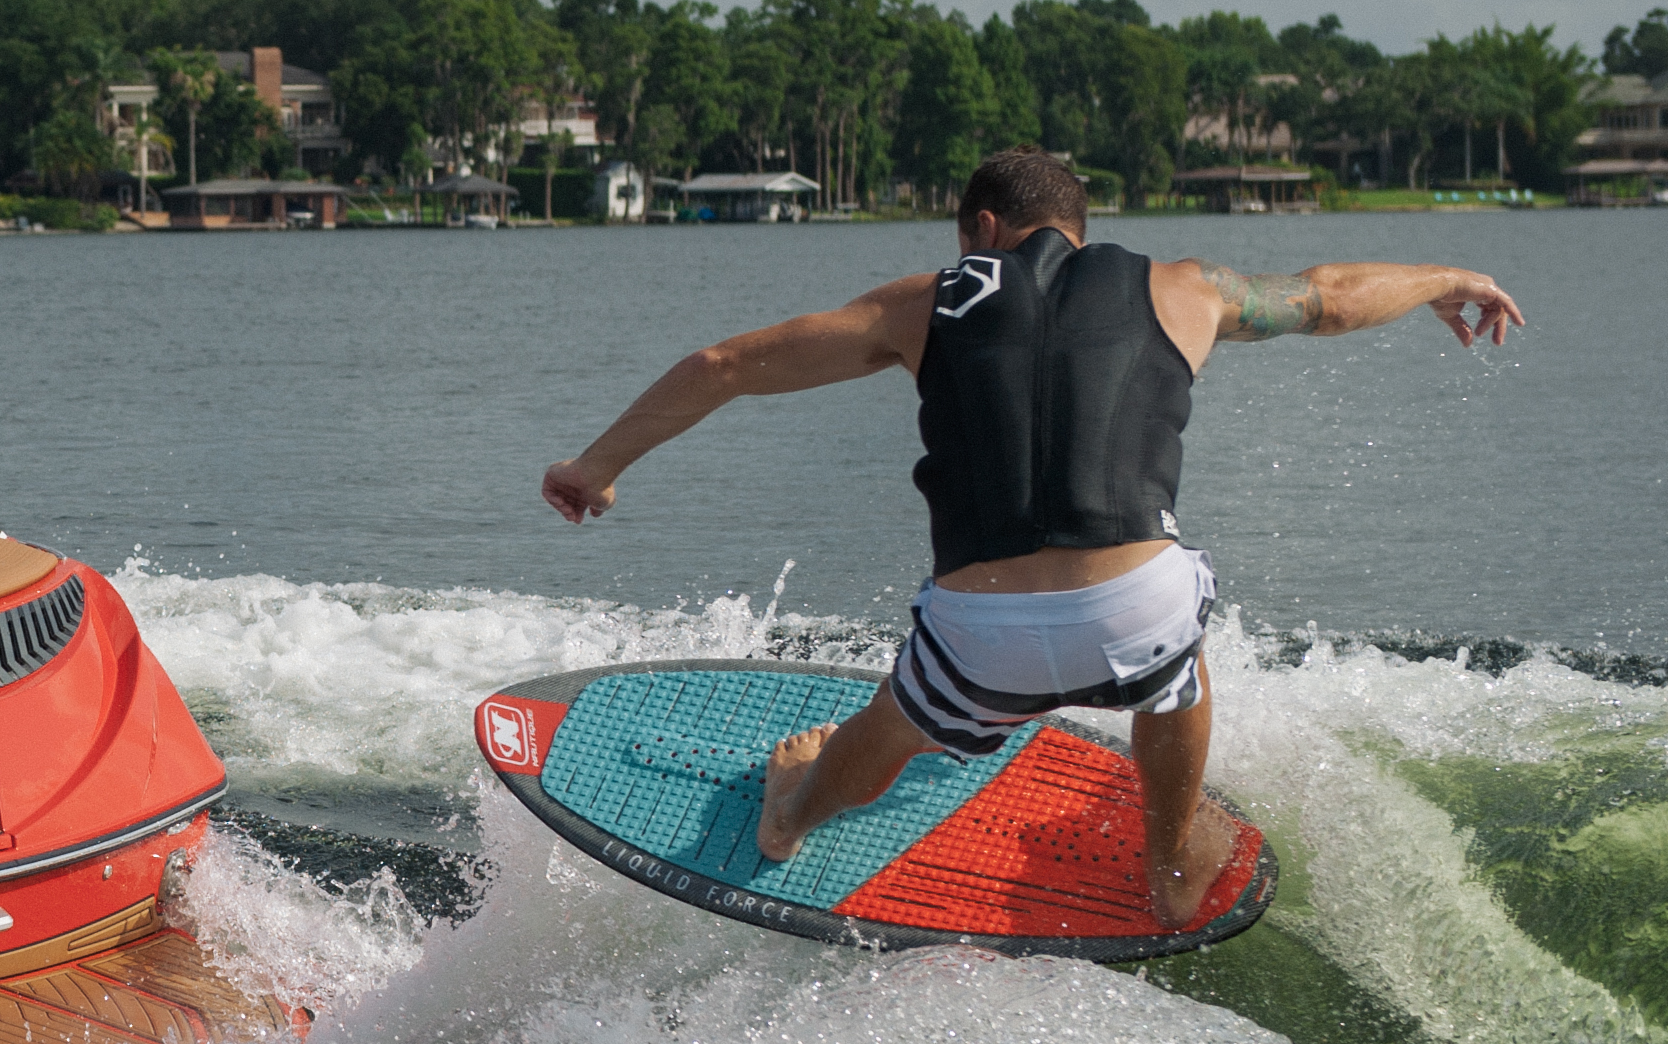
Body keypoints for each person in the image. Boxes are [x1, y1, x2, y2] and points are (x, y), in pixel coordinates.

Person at [538, 149, 1525, 927]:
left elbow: (723, 365)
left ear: (979, 228)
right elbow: (1325, 296)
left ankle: (792, 813)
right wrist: (1450, 273)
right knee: (1179, 647)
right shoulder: (1186, 287)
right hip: (1134, 614)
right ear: (1079, 230)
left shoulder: (921, 302)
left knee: (894, 720)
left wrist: (595, 466)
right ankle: (1171, 859)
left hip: (981, 638)